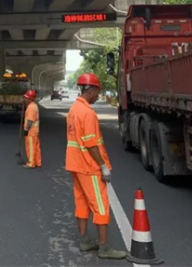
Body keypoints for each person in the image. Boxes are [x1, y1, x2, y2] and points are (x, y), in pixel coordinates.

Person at [65, 73, 127, 260]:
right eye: (97, 92)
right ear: (90, 90)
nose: (98, 96)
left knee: (82, 203)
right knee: (101, 206)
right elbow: (91, 143)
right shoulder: (88, 113)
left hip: (75, 164)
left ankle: (85, 241)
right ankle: (104, 247)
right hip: (89, 166)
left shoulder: (74, 109)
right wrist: (103, 166)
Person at [23, 89, 41, 169]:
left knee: (31, 148)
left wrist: (26, 130)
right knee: (36, 147)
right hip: (35, 131)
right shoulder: (34, 105)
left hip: (31, 132)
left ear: (31, 99)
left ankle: (31, 163)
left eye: (26, 98)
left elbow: (30, 121)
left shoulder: (31, 108)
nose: (25, 99)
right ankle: (37, 162)